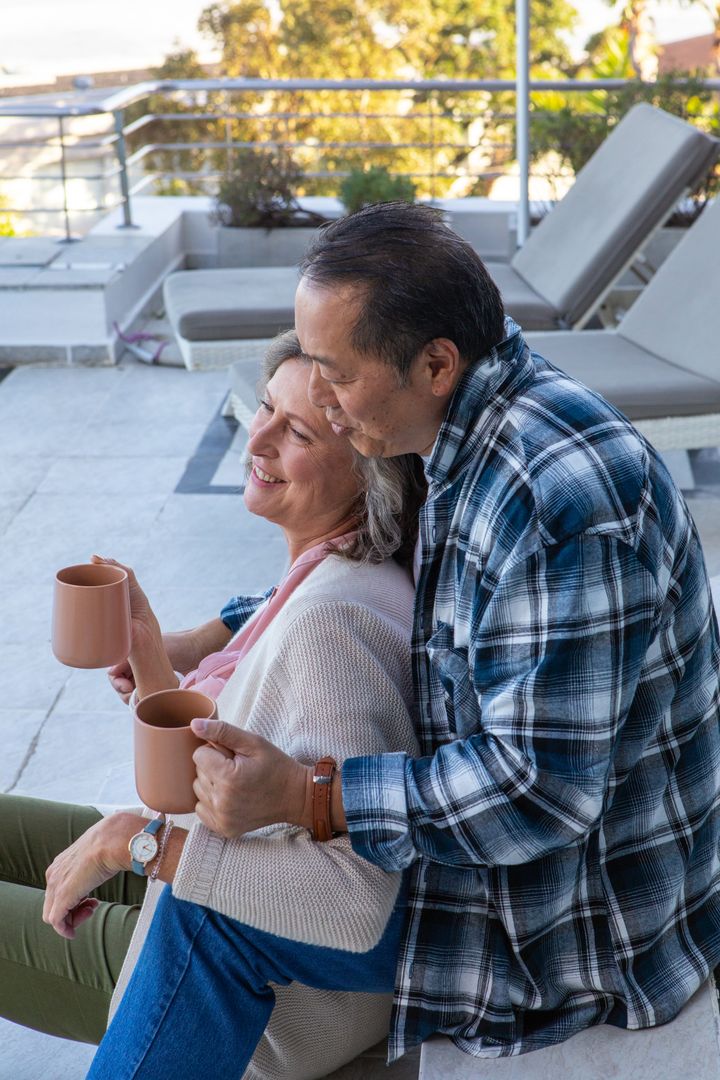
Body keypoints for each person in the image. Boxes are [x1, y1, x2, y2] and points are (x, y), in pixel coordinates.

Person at [92, 201, 720, 1071]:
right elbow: (381, 558)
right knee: (198, 878)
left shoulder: (554, 502)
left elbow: (539, 793)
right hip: (530, 872)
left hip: (576, 925)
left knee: (210, 914)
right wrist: (218, 632)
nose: (323, 399)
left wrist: (310, 798)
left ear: (435, 362)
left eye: (335, 378)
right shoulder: (470, 435)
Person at [0, 330, 427, 1080]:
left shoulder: (332, 628)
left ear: (369, 467)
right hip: (209, 883)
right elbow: (193, 785)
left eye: (294, 431)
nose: (256, 437)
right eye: (265, 409)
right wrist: (145, 645)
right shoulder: (311, 580)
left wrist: (132, 845)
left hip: (244, 986)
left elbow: (357, 899)